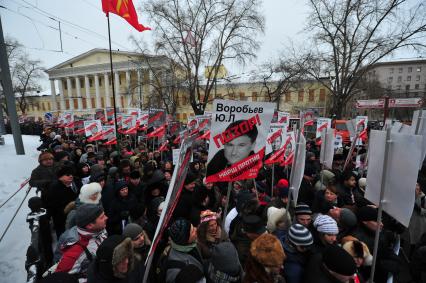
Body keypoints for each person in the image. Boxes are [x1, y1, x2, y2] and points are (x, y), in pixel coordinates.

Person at [55, 204, 107, 279]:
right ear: (90, 225)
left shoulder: (100, 230)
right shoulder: (75, 252)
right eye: (102, 217)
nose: (106, 218)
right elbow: (60, 279)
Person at [45, 166, 79, 238]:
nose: (71, 176)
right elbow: (52, 204)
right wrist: (67, 208)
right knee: (63, 236)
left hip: (74, 215)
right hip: (61, 217)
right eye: (67, 175)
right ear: (60, 177)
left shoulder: (74, 183)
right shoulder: (54, 187)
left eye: (71, 174)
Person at [166, 218, 203, 283]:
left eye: (193, 226)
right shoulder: (176, 270)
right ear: (185, 240)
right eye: (192, 231)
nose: (196, 229)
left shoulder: (191, 244)